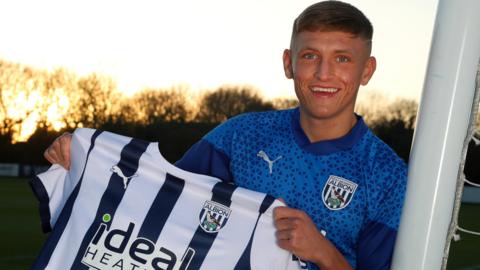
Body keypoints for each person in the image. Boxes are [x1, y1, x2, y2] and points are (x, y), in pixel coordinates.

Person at [44, 1, 407, 269]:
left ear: (367, 70)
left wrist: (324, 254)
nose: (324, 73)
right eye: (310, 56)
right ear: (288, 63)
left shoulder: (387, 175)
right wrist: (87, 161)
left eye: (343, 59)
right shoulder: (242, 134)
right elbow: (162, 198)